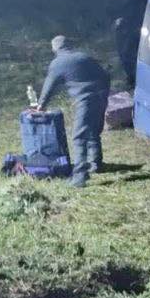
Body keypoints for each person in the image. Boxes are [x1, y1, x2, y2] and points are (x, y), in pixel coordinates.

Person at [36, 36, 111, 188]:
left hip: (85, 99)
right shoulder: (84, 57)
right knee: (93, 130)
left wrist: (41, 105)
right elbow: (105, 75)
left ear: (55, 49)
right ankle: (96, 163)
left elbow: (49, 85)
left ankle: (80, 175)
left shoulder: (58, 63)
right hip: (101, 95)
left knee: (79, 136)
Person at [110, 0, 147, 88]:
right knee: (124, 55)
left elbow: (137, 17)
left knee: (130, 55)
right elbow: (112, 16)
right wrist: (116, 22)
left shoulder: (134, 1)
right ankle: (130, 78)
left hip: (133, 33)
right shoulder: (116, 2)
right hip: (122, 33)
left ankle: (134, 78)